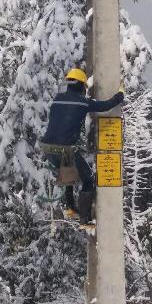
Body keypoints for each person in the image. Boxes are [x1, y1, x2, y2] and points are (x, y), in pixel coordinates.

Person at [40, 68, 124, 224]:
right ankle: (85, 219)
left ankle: (71, 207)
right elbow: (106, 106)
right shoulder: (82, 102)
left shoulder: (57, 99)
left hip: (48, 148)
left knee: (69, 176)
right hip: (65, 150)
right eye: (85, 87)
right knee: (88, 178)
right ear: (81, 86)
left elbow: (63, 120)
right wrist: (120, 94)